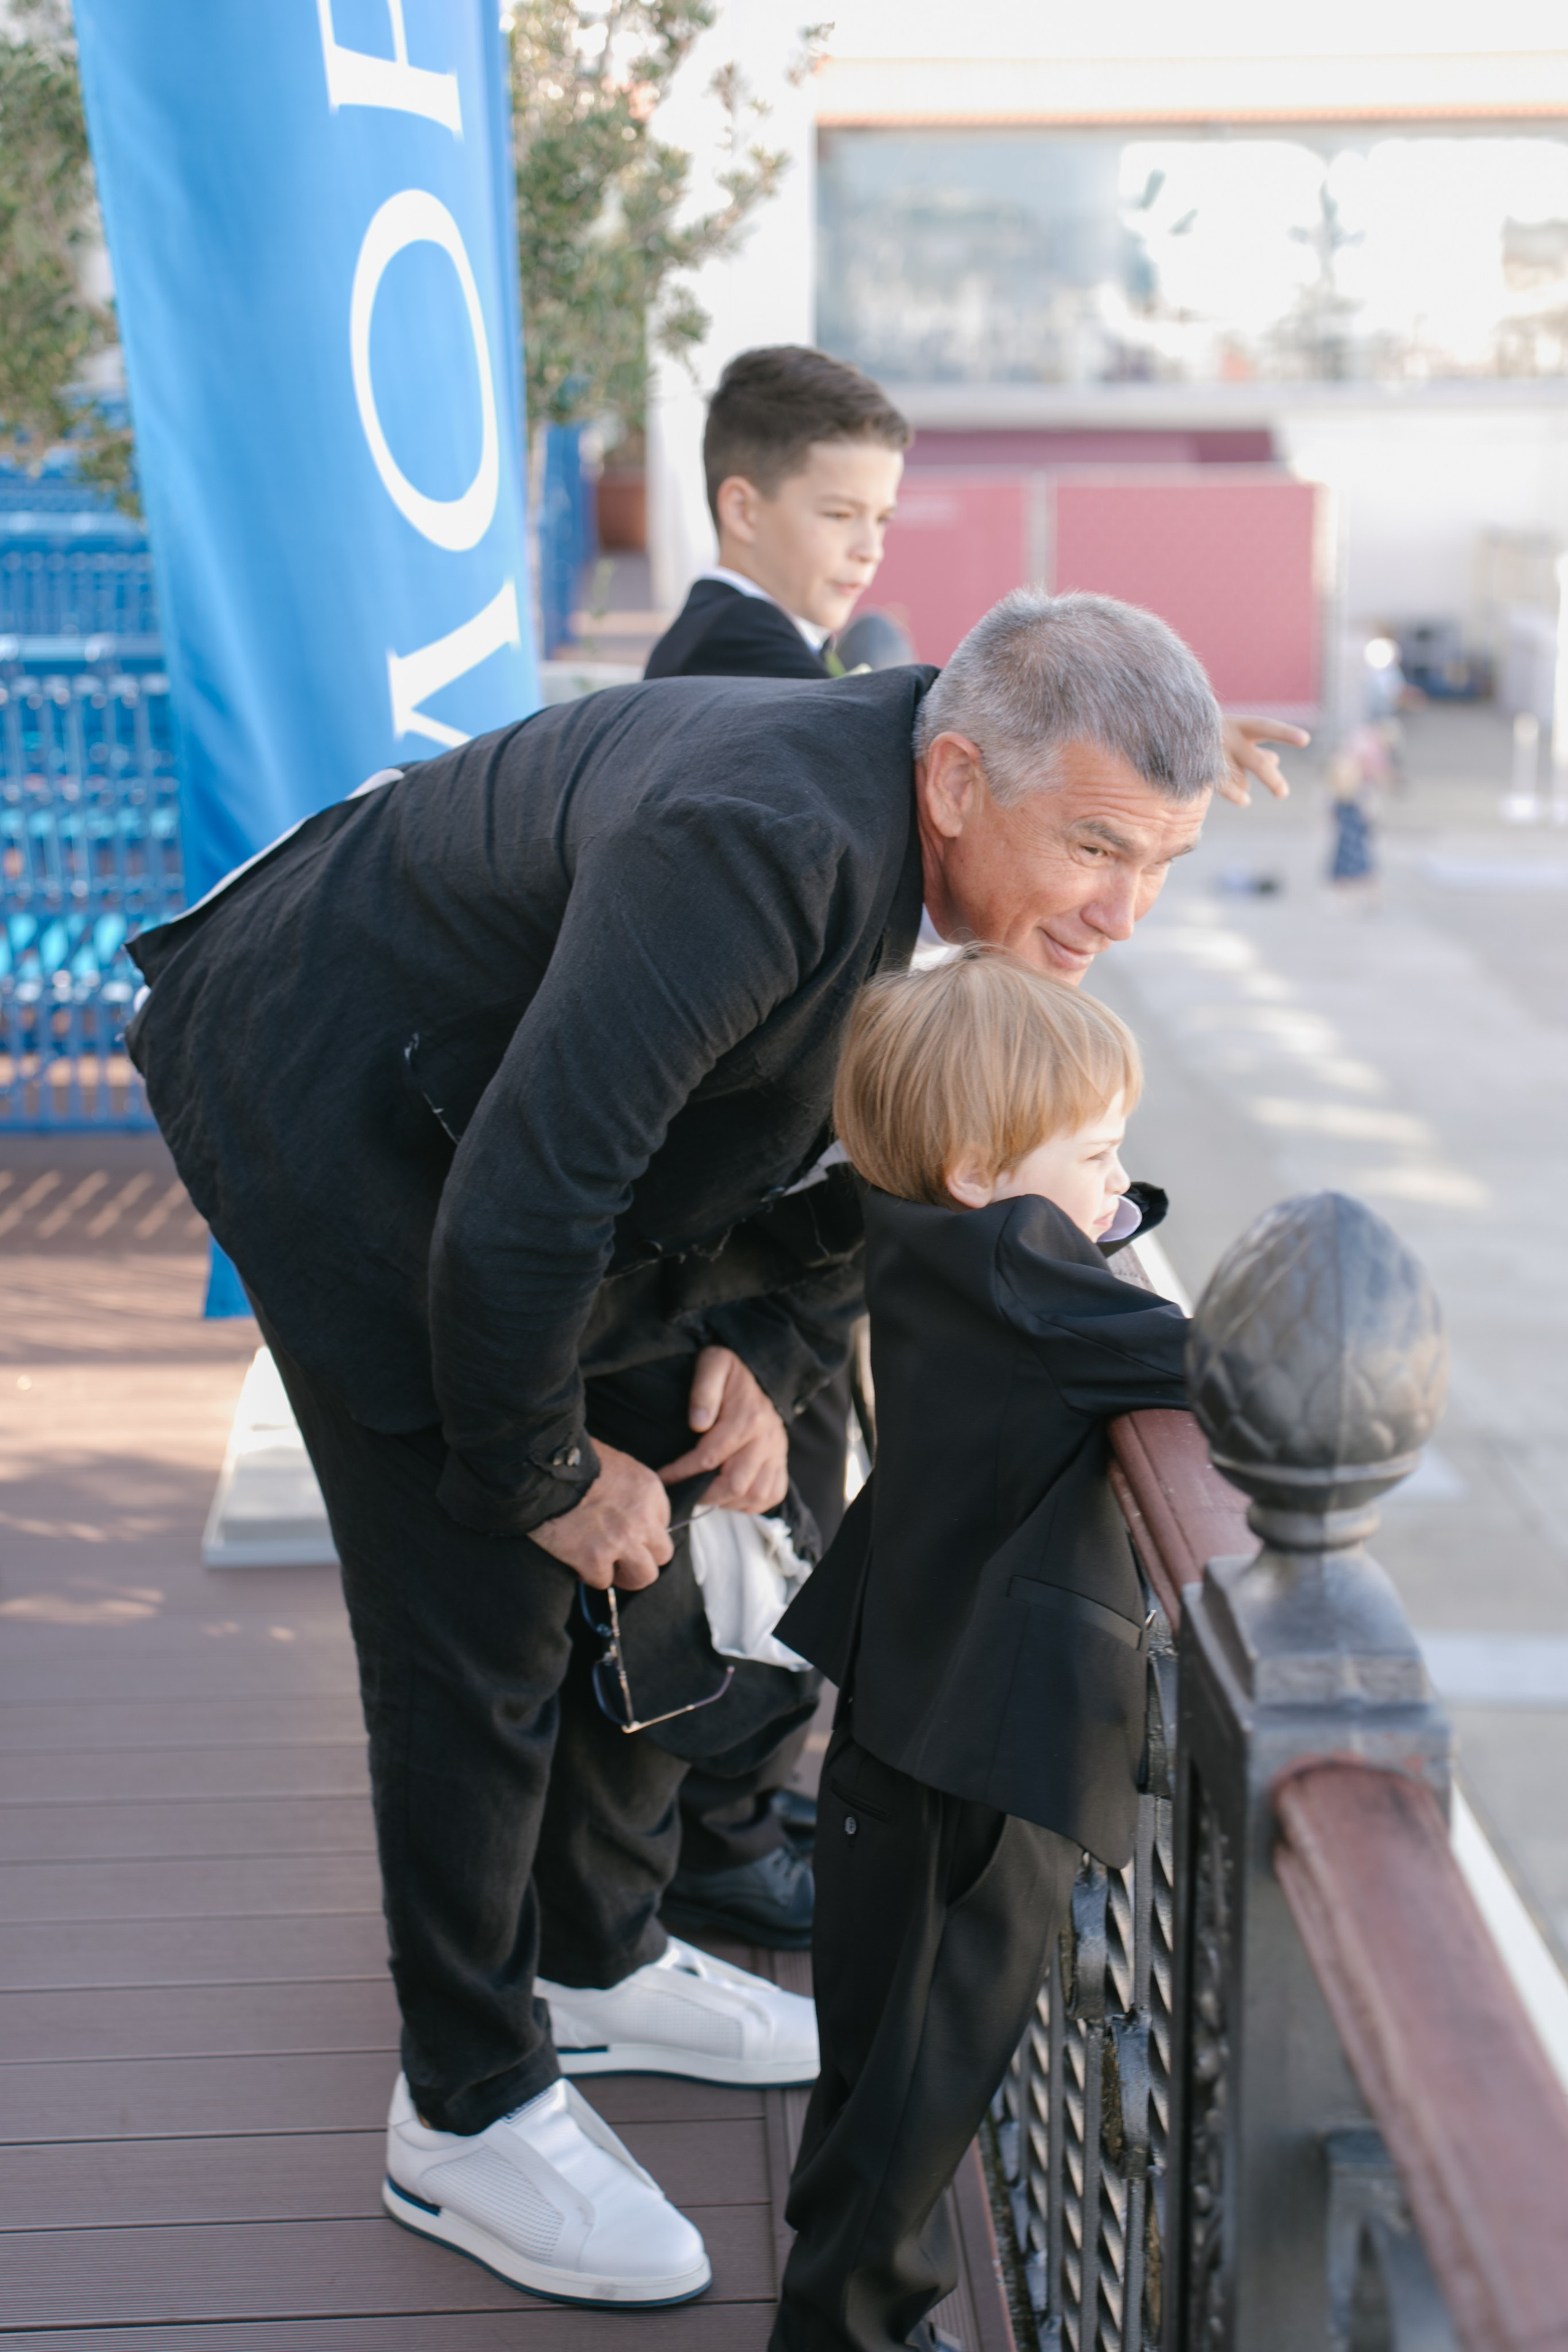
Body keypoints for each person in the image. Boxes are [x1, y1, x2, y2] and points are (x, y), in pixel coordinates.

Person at [126, 588, 1232, 2313]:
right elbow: (526, 1198)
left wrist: (757, 1351)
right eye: (1098, 849)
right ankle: (467, 2099)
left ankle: (599, 1949)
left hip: (505, 1140)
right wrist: (549, 1476)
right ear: (952, 779)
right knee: (475, 1595)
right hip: (336, 1101)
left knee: (679, 1461)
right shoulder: (766, 843)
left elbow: (779, 1140)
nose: (1127, 911)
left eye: (1161, 861)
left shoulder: (921, 831)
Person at [769, 948, 1189, 2352]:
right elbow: (1197, 1361)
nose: (1110, 1184)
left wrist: (1096, 1199)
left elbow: (1076, 1288)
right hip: (980, 1738)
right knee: (934, 2057)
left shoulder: (928, 1235)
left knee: (876, 2043)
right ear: (973, 1168)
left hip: (909, 1697)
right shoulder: (1019, 1259)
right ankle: (849, 2329)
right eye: (1095, 1153)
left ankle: (843, 2289)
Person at [646, 344, 911, 1951]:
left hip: (737, 1212)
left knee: (761, 1524)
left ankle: (733, 1807)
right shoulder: (745, 690)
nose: (870, 548)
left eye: (885, 516)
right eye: (839, 511)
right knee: (759, 1518)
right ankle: (723, 1838)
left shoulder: (737, 663)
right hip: (728, 1224)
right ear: (741, 504)